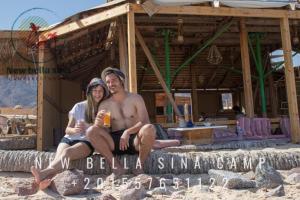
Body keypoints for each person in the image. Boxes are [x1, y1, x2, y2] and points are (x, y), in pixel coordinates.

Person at [31, 78, 109, 189]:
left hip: (86, 142)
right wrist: (75, 130)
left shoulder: (106, 110)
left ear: (104, 92)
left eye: (100, 91)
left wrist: (89, 127)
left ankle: (42, 173)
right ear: (90, 91)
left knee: (66, 153)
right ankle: (45, 181)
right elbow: (67, 129)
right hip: (69, 138)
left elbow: (107, 130)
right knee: (58, 159)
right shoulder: (78, 106)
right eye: (95, 90)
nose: (97, 94)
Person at [86, 67, 156, 178]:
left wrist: (128, 132)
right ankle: (116, 167)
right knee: (91, 131)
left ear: (121, 81)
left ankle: (139, 167)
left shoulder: (136, 98)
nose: (110, 84)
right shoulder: (105, 104)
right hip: (114, 141)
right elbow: (106, 128)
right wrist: (98, 124)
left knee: (149, 128)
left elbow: (145, 121)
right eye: (108, 82)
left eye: (113, 80)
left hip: (135, 139)